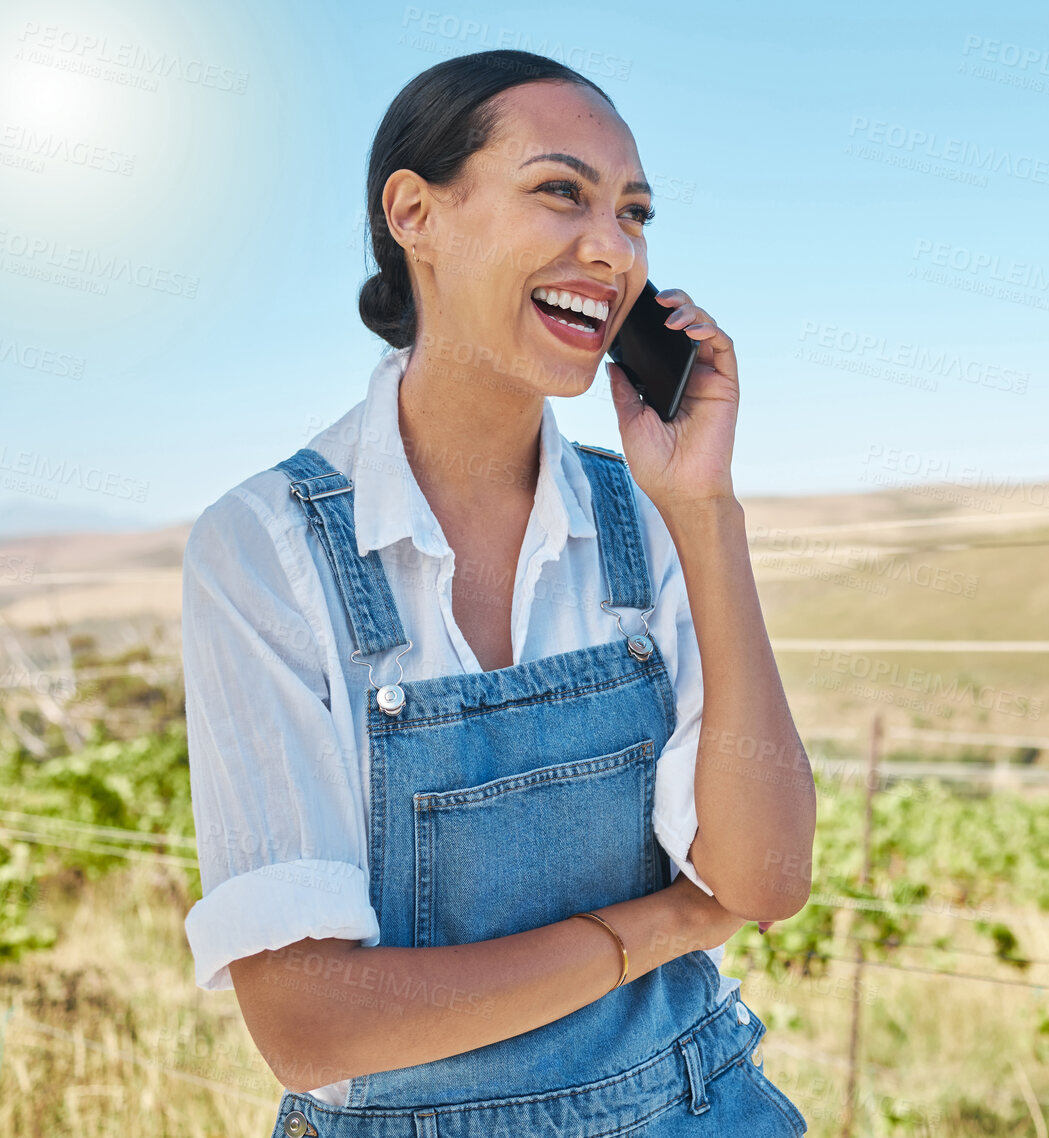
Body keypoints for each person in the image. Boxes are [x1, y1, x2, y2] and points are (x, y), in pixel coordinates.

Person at [179, 49, 815, 1136]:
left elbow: (761, 877)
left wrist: (706, 510)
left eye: (635, 212)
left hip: (701, 1107)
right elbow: (312, 1023)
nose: (612, 248)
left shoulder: (655, 521)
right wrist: (653, 928)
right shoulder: (265, 548)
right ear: (416, 213)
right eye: (561, 190)